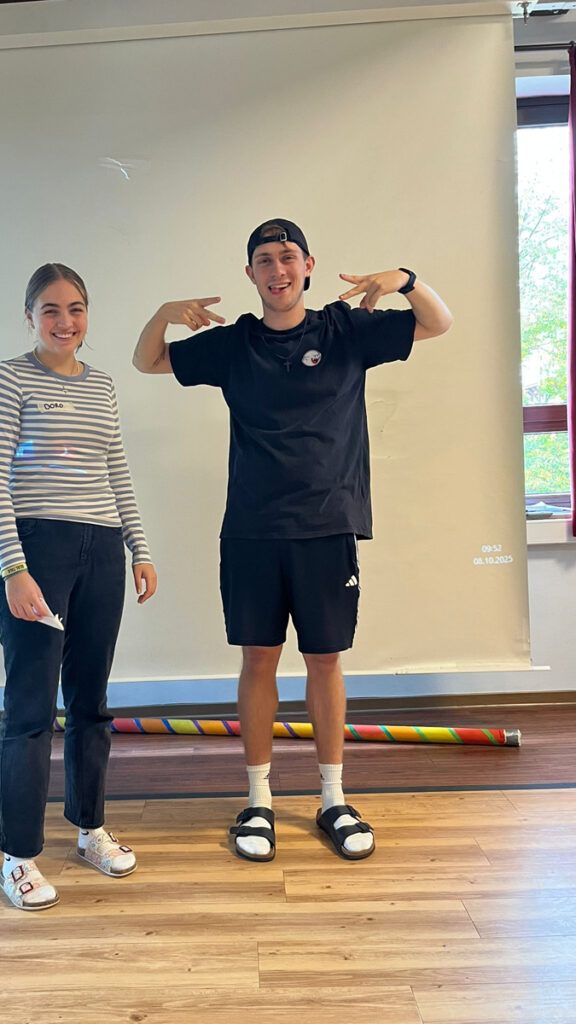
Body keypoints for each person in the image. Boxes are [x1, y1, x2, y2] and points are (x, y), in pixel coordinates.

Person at [132, 219, 451, 863]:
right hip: (252, 528)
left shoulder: (344, 330)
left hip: (327, 525)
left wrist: (406, 280)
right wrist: (164, 314)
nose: (277, 270)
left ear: (308, 265)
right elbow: (149, 360)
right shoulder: (235, 344)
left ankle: (333, 798)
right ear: (249, 274)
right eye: (264, 260)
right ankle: (259, 801)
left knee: (325, 661)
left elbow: (437, 322)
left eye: (287, 257)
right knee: (258, 660)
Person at [0, 262, 156, 909]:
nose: (64, 321)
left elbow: (116, 468)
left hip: (101, 548)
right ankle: (19, 858)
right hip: (37, 550)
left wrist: (139, 547)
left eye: (75, 308)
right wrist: (15, 568)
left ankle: (89, 829)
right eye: (50, 309)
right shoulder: (7, 379)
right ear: (29, 316)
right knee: (30, 710)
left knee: (90, 704)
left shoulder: (102, 384)